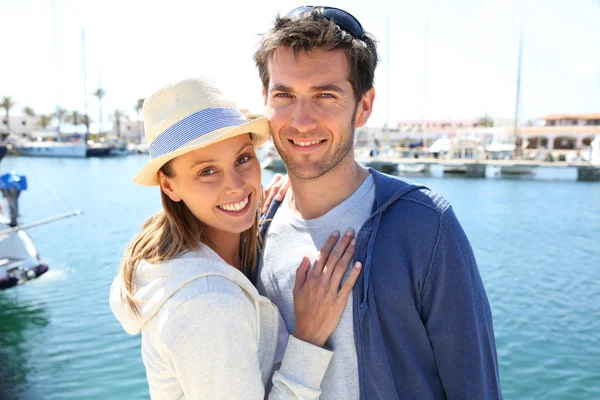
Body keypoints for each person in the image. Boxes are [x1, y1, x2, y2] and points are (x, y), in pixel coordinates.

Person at [254, 6, 503, 399]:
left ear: (364, 106)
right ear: (265, 101)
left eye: (325, 96)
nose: (301, 121)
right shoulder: (255, 230)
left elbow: (476, 385)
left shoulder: (425, 226)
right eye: (284, 95)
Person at [109, 77, 363, 399]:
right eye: (207, 172)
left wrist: (260, 207)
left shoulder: (173, 257)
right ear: (169, 186)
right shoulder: (208, 302)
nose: (237, 186)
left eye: (243, 159)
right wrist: (309, 339)